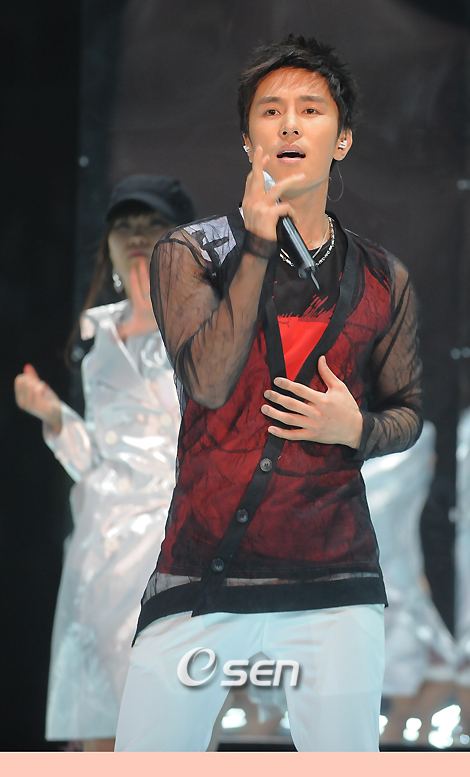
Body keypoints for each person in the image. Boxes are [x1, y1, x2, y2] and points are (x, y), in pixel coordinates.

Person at [115, 36, 422, 752]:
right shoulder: (190, 252)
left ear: (341, 140)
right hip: (201, 571)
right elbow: (208, 381)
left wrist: (357, 429)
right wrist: (256, 241)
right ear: (247, 139)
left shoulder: (384, 276)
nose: (289, 124)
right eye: (271, 110)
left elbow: (407, 411)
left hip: (334, 579)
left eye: (311, 110)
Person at [14, 175, 195, 751]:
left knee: (173, 718)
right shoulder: (98, 339)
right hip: (100, 552)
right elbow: (97, 462)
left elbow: (204, 438)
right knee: (96, 726)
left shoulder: (207, 328)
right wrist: (56, 417)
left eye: (152, 224)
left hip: (172, 547)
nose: (137, 236)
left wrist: (162, 311)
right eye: (125, 226)